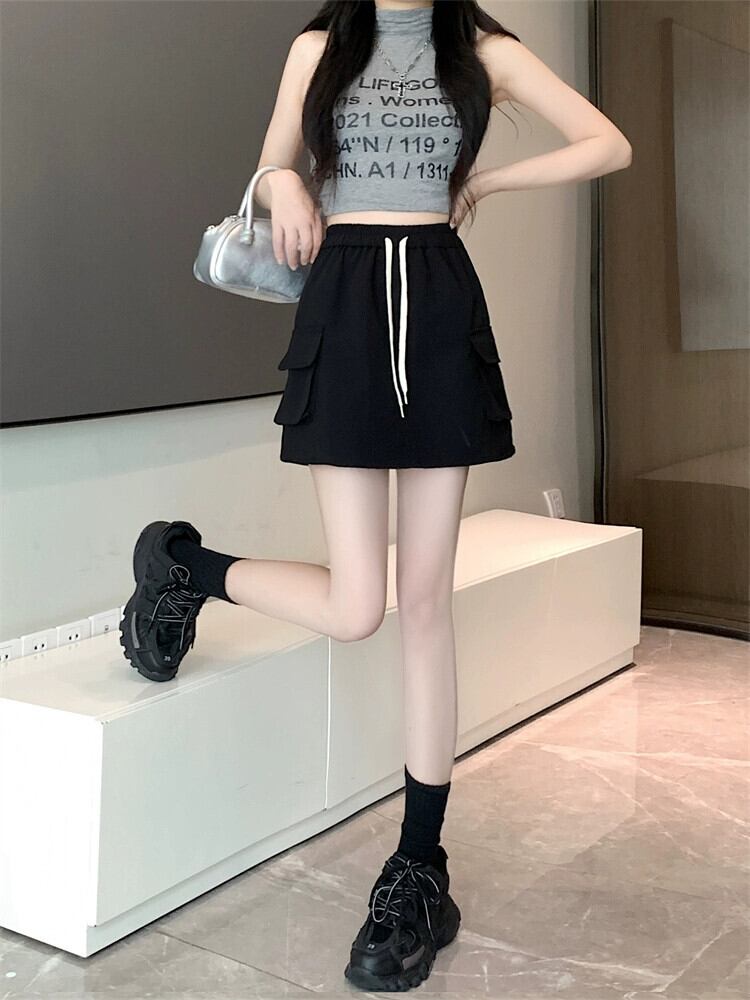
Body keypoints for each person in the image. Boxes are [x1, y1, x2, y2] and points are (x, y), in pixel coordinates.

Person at [119, 0, 631, 990]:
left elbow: (606, 143)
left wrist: (484, 179)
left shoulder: (480, 49)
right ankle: (182, 566)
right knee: (359, 606)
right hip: (345, 302)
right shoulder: (320, 47)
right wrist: (282, 184)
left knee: (426, 601)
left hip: (439, 302)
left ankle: (420, 866)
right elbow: (273, 162)